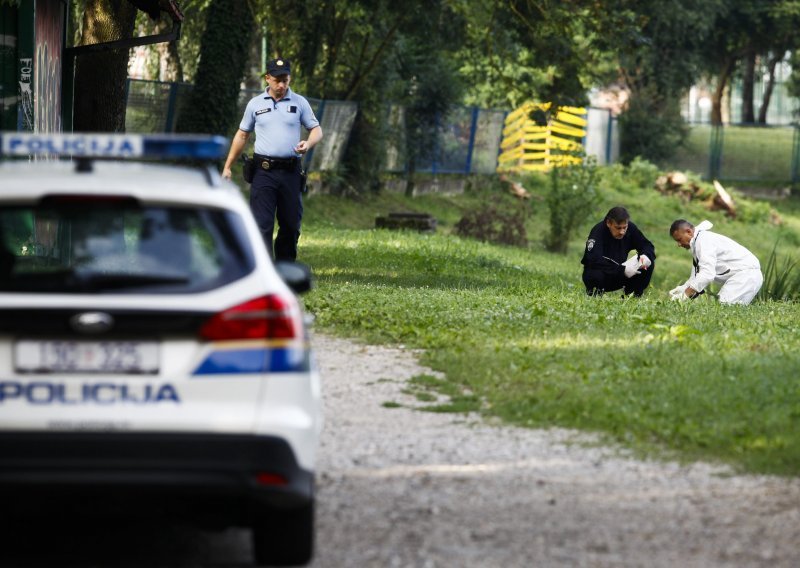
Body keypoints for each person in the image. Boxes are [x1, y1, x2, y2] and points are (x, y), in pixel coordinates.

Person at [222, 57, 323, 261]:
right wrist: (227, 166)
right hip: (263, 172)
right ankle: (265, 271)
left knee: (291, 224)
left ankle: (286, 269)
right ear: (267, 78)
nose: (281, 85)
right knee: (261, 225)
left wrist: (308, 144)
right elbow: (242, 135)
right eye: (277, 80)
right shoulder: (255, 104)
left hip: (291, 172)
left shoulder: (299, 102)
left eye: (285, 80)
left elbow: (316, 130)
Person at [668, 219, 763, 305]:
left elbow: (707, 275)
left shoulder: (704, 241)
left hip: (746, 275)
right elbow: (697, 276)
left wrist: (684, 295)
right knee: (731, 312)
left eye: (679, 239)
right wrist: (683, 288)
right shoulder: (698, 241)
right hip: (746, 276)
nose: (679, 244)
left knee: (724, 306)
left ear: (689, 232)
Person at [581, 206, 656, 297]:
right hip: (603, 275)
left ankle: (633, 297)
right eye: (618, 228)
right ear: (609, 223)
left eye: (624, 227)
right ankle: (595, 295)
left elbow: (647, 245)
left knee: (647, 264)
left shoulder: (630, 228)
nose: (622, 232)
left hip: (620, 274)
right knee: (594, 273)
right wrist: (622, 270)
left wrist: (645, 255)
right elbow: (592, 260)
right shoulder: (598, 231)